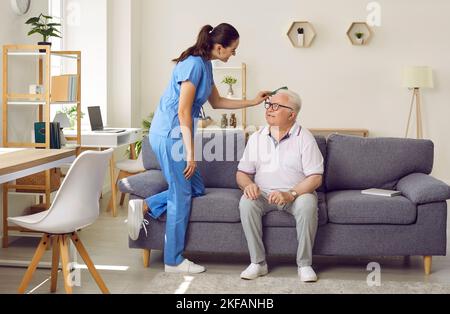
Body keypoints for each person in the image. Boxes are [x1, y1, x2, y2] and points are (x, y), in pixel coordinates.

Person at [127, 23, 269, 274]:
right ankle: (173, 261)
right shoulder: (193, 64)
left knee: (196, 187)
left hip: (174, 133)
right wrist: (191, 155)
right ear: (218, 47)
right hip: (171, 134)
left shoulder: (205, 64)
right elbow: (183, 111)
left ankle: (145, 205)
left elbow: (217, 101)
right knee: (180, 194)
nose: (233, 54)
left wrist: (253, 101)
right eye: (232, 50)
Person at [236, 89, 324, 282]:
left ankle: (304, 264)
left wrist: (290, 194)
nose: (269, 109)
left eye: (276, 106)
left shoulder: (305, 138)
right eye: (268, 105)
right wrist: (248, 185)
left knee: (308, 204)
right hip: (263, 194)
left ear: (292, 114)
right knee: (246, 202)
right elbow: (242, 173)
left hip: (297, 194)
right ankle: (258, 263)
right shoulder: (257, 137)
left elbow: (316, 178)